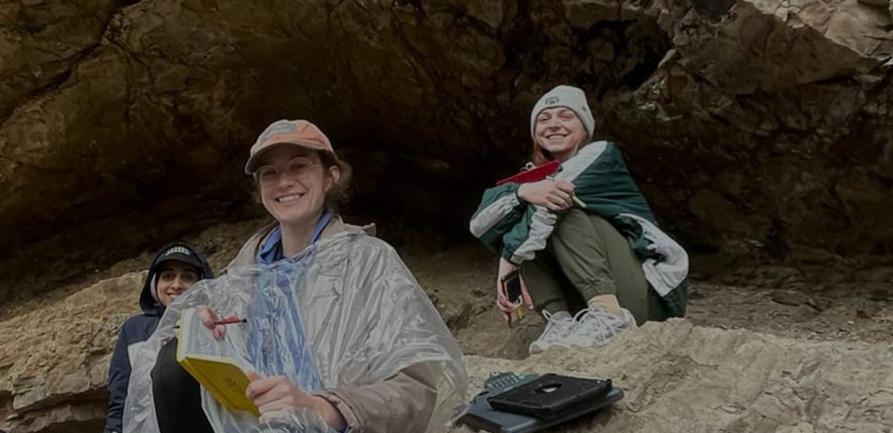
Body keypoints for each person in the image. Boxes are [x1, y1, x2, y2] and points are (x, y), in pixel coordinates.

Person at [123, 120, 468, 433]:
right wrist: (203, 337)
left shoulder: (369, 262)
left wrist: (322, 407)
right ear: (258, 188)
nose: (284, 182)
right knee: (170, 364)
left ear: (331, 175)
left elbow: (415, 391)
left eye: (299, 166)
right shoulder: (240, 277)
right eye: (269, 173)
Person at [470, 85, 690, 354]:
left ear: (585, 127)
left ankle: (609, 314)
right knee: (524, 221)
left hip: (648, 296)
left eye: (565, 116)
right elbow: (480, 223)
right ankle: (561, 322)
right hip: (582, 303)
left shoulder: (601, 155)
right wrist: (523, 191)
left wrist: (508, 261)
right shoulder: (533, 180)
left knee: (560, 209)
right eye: (544, 119)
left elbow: (555, 197)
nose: (553, 125)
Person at [104, 242, 214, 433]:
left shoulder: (215, 325)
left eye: (187, 277)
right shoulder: (134, 330)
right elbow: (120, 398)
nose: (177, 285)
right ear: (155, 283)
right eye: (168, 276)